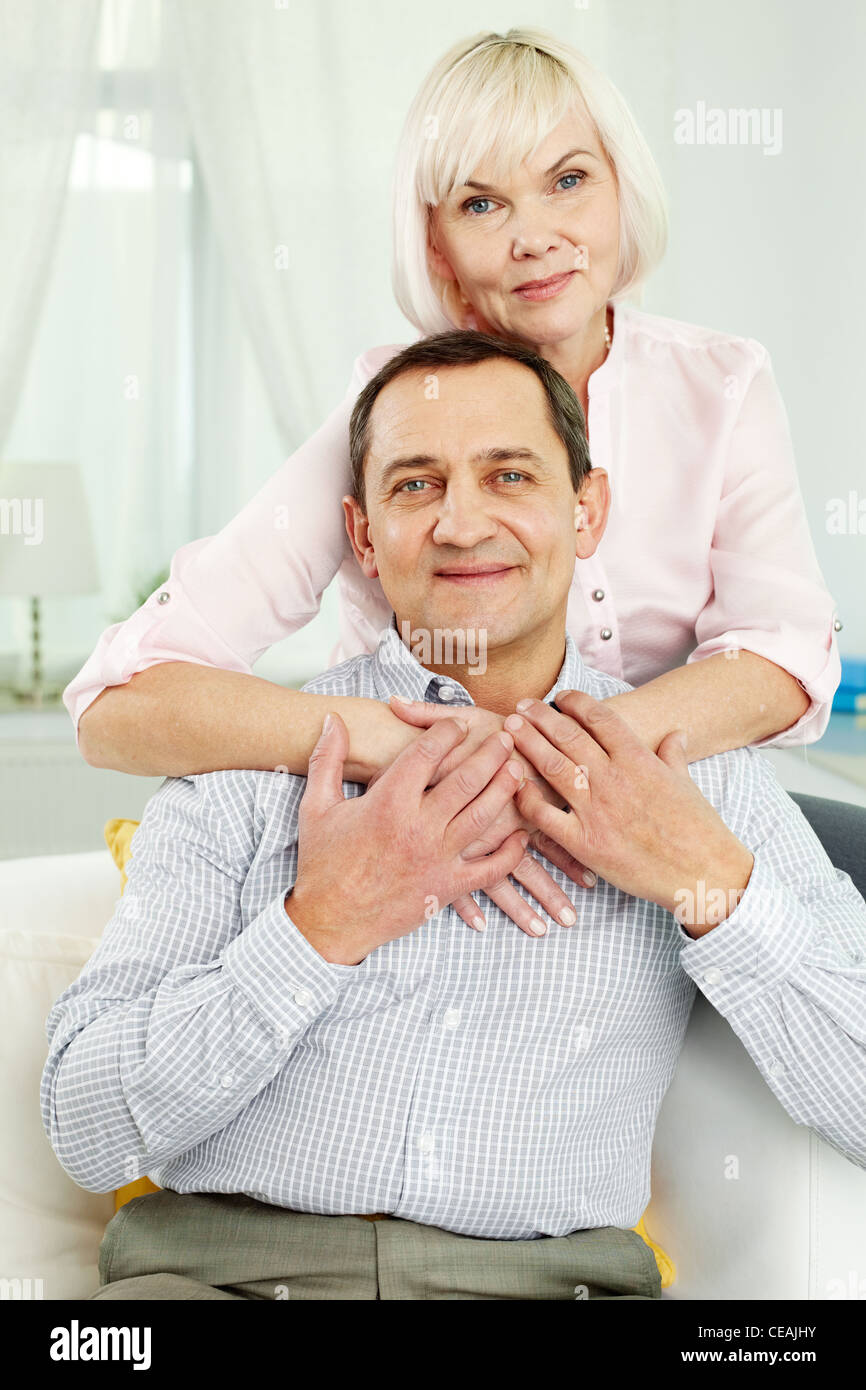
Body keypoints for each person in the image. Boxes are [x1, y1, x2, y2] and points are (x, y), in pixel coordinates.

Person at [42, 332, 866, 1301]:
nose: (461, 523)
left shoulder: (699, 783)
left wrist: (708, 883)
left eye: (508, 475)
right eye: (415, 485)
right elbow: (86, 1128)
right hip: (214, 1285)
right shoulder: (245, 763)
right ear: (361, 535)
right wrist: (321, 927)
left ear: (584, 510)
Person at [62, 27, 841, 939]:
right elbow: (118, 705)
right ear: (434, 241)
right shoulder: (390, 413)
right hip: (432, 853)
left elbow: (786, 661)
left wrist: (554, 758)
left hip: (660, 839)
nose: (535, 238)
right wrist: (400, 739)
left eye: (568, 180)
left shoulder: (723, 383)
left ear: (622, 189)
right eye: (482, 204)